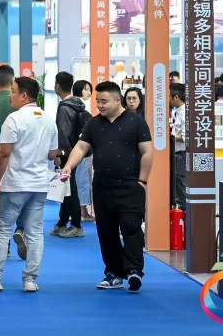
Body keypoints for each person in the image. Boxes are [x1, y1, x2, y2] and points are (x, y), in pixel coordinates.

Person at [61, 81, 153, 292]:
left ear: (117, 100)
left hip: (130, 185)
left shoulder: (136, 122)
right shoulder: (94, 124)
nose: (100, 105)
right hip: (102, 187)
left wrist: (142, 181)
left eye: (104, 101)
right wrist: (68, 166)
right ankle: (113, 273)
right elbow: (81, 147)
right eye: (97, 101)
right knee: (106, 231)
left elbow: (147, 152)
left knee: (131, 229)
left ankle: (134, 271)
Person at [0, 77, 59, 293]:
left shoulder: (13, 119)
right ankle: (30, 280)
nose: (11, 95)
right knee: (35, 233)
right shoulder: (48, 119)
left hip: (14, 184)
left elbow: (4, 154)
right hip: (39, 184)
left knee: (2, 231)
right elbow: (52, 153)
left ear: (24, 96)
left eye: (13, 91)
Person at [0, 64, 27, 258]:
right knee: (21, 199)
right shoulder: (21, 104)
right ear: (12, 81)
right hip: (18, 162)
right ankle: (21, 229)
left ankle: (4, 245)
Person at [50, 72, 91, 238]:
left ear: (57, 86)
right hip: (77, 151)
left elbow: (63, 134)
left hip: (67, 154)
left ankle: (76, 225)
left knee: (69, 189)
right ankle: (62, 222)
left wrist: (59, 154)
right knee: (65, 188)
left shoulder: (65, 108)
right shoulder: (78, 105)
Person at [72, 79, 94, 221]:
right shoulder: (80, 109)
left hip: (74, 149)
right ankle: (82, 211)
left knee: (78, 179)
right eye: (86, 89)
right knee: (82, 180)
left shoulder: (71, 106)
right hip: (81, 150)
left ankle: (79, 210)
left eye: (89, 89)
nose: (89, 92)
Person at [169, 83, 186, 210]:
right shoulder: (179, 111)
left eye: (169, 96)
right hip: (177, 154)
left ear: (176, 97)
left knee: (181, 187)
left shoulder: (185, 112)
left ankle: (184, 215)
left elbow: (186, 137)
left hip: (181, 154)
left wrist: (170, 137)